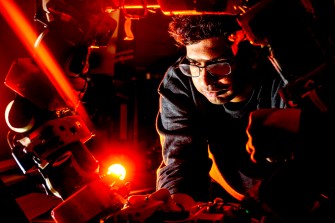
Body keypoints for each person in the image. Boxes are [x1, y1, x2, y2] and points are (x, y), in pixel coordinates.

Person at [154, 14, 286, 212]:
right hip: (225, 197)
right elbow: (181, 160)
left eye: (218, 65)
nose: (205, 81)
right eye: (195, 64)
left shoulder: (283, 80)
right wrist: (176, 208)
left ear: (251, 59)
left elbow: (304, 162)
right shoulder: (180, 82)